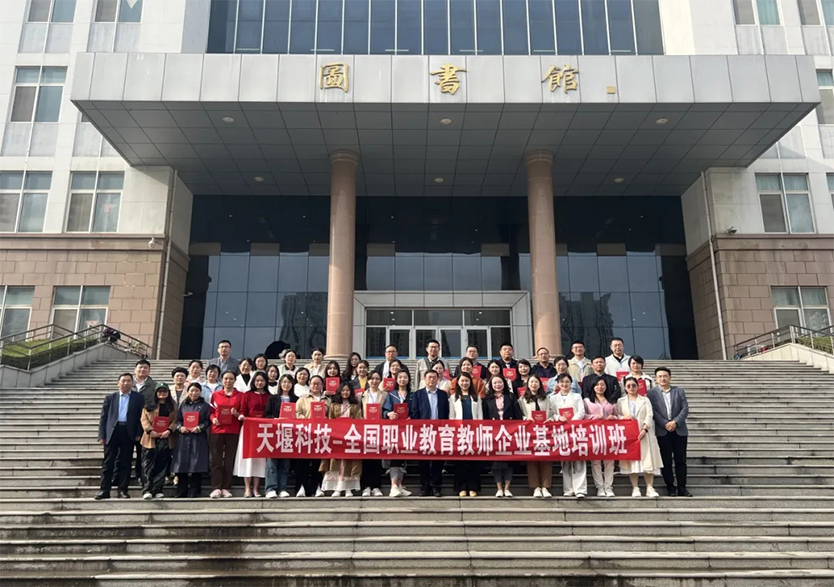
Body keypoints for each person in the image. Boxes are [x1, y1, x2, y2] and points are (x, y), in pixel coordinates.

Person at [95, 373, 144, 500]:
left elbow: (141, 417)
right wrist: (102, 435)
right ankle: (104, 490)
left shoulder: (138, 398)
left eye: (128, 381)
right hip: (112, 432)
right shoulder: (110, 398)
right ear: (118, 383)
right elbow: (103, 418)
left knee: (125, 462)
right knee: (108, 462)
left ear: (132, 383)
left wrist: (139, 433)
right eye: (123, 381)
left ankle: (122, 490)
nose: (126, 383)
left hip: (128, 432)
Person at [647, 367, 691, 497]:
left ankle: (682, 487)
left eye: (665, 376)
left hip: (679, 430)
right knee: (666, 461)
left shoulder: (679, 391)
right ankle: (670, 487)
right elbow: (653, 411)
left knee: (681, 460)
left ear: (670, 377)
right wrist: (665, 423)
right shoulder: (651, 393)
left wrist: (675, 422)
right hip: (663, 431)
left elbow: (685, 408)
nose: (663, 378)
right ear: (656, 379)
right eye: (660, 376)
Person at [617, 376, 662, 498]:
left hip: (644, 433)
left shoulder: (645, 400)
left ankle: (649, 487)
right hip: (629, 435)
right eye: (628, 386)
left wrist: (645, 428)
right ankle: (635, 487)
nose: (631, 387)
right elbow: (617, 415)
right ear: (625, 388)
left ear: (638, 386)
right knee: (632, 462)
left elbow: (649, 414)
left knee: (648, 460)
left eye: (633, 385)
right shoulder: (621, 401)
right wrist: (623, 418)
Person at [409, 370, 449, 497]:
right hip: (423, 431)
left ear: (438, 379)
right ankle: (424, 487)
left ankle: (437, 487)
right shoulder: (418, 394)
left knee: (438, 461)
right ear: (424, 379)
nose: (431, 380)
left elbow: (446, 412)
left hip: (439, 431)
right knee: (423, 461)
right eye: (429, 377)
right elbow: (414, 412)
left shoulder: (443, 395)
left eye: (434, 377)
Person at [547, 373, 587, 499]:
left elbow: (581, 412)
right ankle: (568, 489)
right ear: (558, 384)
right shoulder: (553, 399)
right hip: (561, 431)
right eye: (562, 382)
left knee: (579, 459)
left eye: (567, 382)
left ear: (571, 384)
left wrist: (571, 421)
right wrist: (559, 417)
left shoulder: (577, 396)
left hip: (576, 429)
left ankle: (580, 489)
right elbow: (551, 413)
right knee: (565, 460)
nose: (564, 384)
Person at [320, 383, 363, 496]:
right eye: (343, 390)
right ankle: (337, 488)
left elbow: (359, 420)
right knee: (337, 462)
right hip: (337, 437)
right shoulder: (334, 405)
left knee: (349, 462)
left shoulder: (355, 405)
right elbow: (330, 420)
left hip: (351, 437)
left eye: (347, 390)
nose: (345, 392)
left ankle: (348, 488)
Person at [483, 373, 520, 497]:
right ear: (491, 385)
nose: (497, 385)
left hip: (509, 433)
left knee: (509, 461)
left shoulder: (511, 396)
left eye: (499, 382)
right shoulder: (487, 399)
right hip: (494, 434)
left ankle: (507, 488)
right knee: (496, 462)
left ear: (504, 383)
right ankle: (499, 488)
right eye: (495, 383)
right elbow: (484, 417)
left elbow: (517, 414)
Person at [234, 371, 270, 497]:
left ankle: (256, 489)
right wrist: (241, 415)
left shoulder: (270, 396)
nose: (259, 383)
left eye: (262, 380)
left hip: (264, 430)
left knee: (260, 459)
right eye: (257, 380)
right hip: (249, 428)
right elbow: (243, 410)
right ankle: (247, 488)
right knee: (248, 458)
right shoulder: (247, 395)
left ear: (266, 382)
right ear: (253, 382)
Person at [171, 383, 211, 498]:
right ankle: (181, 490)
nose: (194, 393)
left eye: (196, 391)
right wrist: (180, 427)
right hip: (184, 437)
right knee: (182, 463)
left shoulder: (205, 406)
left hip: (198, 437)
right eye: (192, 391)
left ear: (200, 392)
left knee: (196, 464)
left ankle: (194, 490)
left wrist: (199, 428)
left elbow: (207, 421)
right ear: (188, 392)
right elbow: (178, 420)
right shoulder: (183, 405)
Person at [140, 384, 178, 499]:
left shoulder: (172, 406)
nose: (162, 393)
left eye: (164, 391)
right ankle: (147, 489)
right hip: (150, 439)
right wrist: (150, 430)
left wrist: (169, 430)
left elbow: (176, 420)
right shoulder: (148, 406)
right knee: (148, 465)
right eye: (159, 391)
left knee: (161, 465)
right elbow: (144, 419)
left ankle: (158, 489)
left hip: (165, 439)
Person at [209, 371, 243, 499]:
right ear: (222, 380)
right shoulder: (215, 395)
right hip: (217, 430)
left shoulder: (240, 396)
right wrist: (213, 419)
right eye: (226, 379)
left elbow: (243, 412)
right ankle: (216, 488)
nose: (228, 381)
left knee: (229, 460)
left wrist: (236, 413)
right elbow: (211, 411)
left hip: (233, 430)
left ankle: (226, 488)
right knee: (216, 460)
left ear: (235, 380)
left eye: (231, 379)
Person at [449, 372, 483, 497]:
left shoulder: (476, 397)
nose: (464, 383)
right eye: (462, 381)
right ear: (458, 382)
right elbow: (451, 417)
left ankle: (473, 487)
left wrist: (479, 430)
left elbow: (480, 416)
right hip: (459, 433)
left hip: (473, 432)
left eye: (467, 381)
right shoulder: (453, 398)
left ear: (470, 382)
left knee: (473, 461)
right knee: (460, 462)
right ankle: (461, 487)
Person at [264, 374, 298, 498]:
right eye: (284, 382)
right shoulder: (273, 398)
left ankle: (282, 488)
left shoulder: (296, 399)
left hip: (289, 433)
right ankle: (270, 488)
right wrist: (275, 419)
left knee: (285, 462)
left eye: (289, 382)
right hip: (274, 432)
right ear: (280, 384)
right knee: (272, 462)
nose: (286, 385)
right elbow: (267, 415)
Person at [518, 375, 552, 498]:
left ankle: (545, 487)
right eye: (531, 382)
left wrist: (550, 419)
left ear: (540, 384)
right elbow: (520, 414)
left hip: (544, 431)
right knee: (532, 459)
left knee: (546, 459)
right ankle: (536, 487)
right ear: (528, 384)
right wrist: (526, 419)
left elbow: (553, 412)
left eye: (536, 382)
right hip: (530, 432)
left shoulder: (546, 399)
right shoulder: (522, 399)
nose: (534, 384)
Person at [584, 378, 619, 498]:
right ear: (593, 387)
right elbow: (583, 416)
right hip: (594, 433)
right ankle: (599, 487)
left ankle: (608, 487)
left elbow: (617, 414)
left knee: (610, 461)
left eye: (602, 385)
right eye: (597, 385)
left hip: (609, 434)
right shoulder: (587, 401)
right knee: (596, 462)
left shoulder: (612, 401)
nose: (600, 387)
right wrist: (593, 417)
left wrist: (614, 418)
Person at [295, 375, 328, 497]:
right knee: (303, 462)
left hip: (321, 435)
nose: (316, 386)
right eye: (313, 383)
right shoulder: (303, 399)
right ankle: (301, 487)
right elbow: (296, 413)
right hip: (305, 434)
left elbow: (331, 415)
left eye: (318, 383)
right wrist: (306, 419)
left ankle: (316, 487)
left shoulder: (327, 400)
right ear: (309, 384)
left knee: (317, 463)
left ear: (322, 385)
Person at [382, 369, 412, 497]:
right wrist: (388, 414)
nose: (402, 380)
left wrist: (412, 417)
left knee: (402, 457)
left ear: (408, 379)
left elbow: (415, 410)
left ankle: (399, 485)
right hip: (393, 429)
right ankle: (393, 485)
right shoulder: (391, 395)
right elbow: (384, 411)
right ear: (396, 379)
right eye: (400, 377)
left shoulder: (412, 395)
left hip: (407, 429)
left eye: (405, 377)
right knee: (394, 455)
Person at [360, 371, 388, 496]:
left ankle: (376, 486)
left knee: (377, 458)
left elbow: (386, 410)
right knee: (366, 459)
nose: (374, 381)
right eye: (372, 378)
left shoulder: (385, 395)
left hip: (379, 429)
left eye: (377, 379)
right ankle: (366, 486)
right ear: (368, 380)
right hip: (365, 430)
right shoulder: (361, 395)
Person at [131, 359, 157, 481]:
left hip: (146, 422)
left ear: (149, 370)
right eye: (140, 367)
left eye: (145, 368)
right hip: (128, 422)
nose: (142, 370)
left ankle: (141, 475)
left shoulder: (154, 386)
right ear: (135, 369)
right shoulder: (128, 383)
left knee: (143, 451)